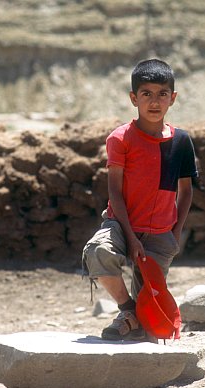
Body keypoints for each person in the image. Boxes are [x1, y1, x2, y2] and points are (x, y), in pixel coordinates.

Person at [82, 58, 198, 341]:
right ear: (134, 98)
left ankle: (134, 318)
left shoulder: (181, 142)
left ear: (173, 98)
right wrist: (131, 237)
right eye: (146, 94)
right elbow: (115, 191)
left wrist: (175, 232)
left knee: (152, 318)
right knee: (97, 252)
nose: (154, 102)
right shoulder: (120, 138)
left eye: (162, 94)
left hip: (161, 233)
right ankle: (127, 308)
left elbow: (186, 191)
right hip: (121, 224)